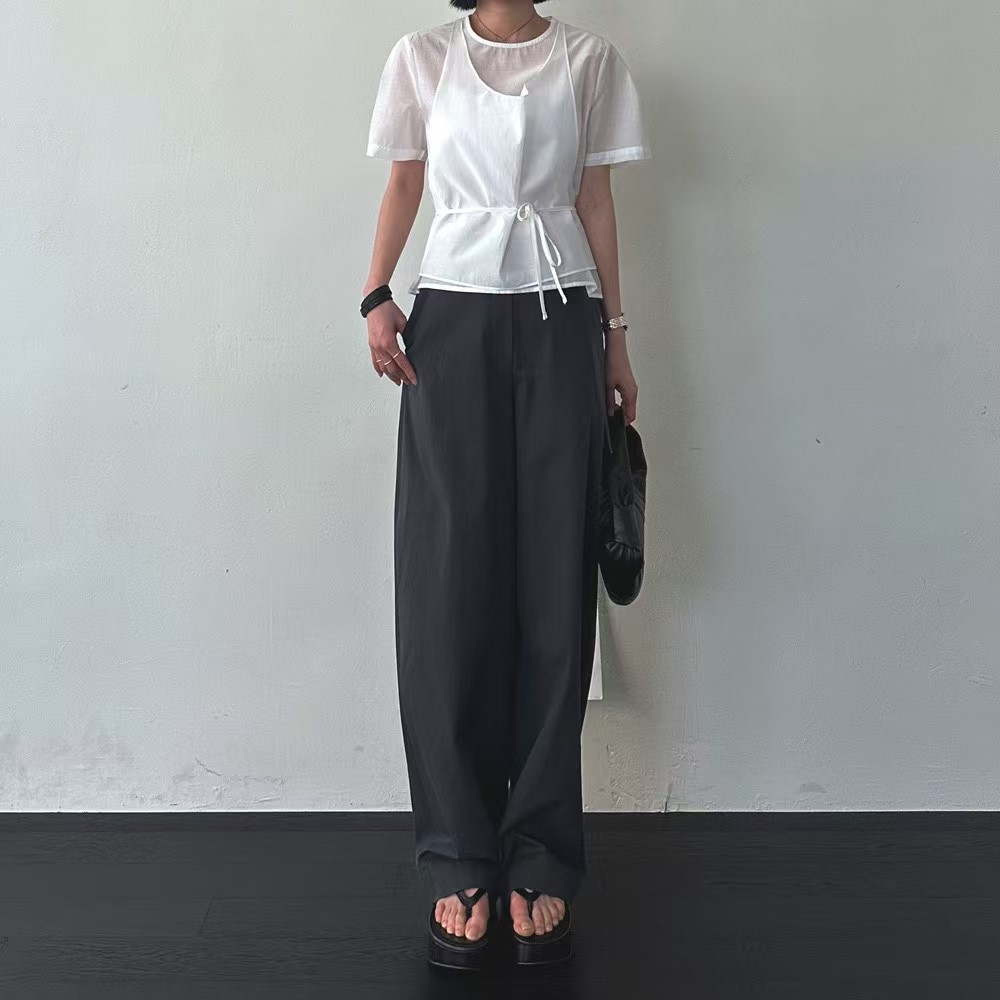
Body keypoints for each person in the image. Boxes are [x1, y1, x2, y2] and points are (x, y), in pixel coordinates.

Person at [361, 0, 650, 969]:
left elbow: (596, 199)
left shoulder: (590, 60)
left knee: (553, 589)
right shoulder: (421, 57)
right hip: (450, 318)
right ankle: (457, 853)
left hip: (562, 319)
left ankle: (541, 852)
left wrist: (616, 340)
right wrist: (375, 294)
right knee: (446, 587)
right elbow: (406, 179)